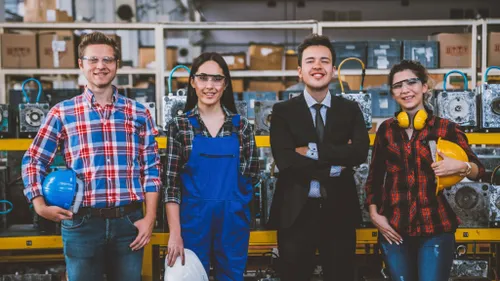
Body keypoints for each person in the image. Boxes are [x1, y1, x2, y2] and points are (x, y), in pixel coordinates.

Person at [21, 32, 161, 281]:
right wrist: (39, 205)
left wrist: (149, 218)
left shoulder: (138, 113)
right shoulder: (62, 112)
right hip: (81, 223)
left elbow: (151, 169)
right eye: (93, 59)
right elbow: (33, 159)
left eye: (108, 59)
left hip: (128, 223)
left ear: (117, 64)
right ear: (81, 64)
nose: (101, 66)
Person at [365, 60, 485, 281]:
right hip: (394, 229)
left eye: (412, 82)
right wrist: (374, 214)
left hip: (436, 229)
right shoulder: (386, 130)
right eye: (398, 85)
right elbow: (374, 178)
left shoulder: (446, 128)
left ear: (424, 87)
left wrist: (462, 166)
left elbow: (480, 171)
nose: (405, 90)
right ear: (393, 93)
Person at [268, 34, 370, 281]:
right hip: (295, 214)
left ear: (333, 71)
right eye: (310, 61)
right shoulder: (282, 112)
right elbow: (286, 161)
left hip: (340, 211)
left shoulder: (350, 109)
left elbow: (358, 152)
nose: (317, 66)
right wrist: (336, 166)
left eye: (324, 61)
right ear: (299, 71)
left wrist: (311, 151)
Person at [164, 52, 260, 281]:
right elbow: (171, 185)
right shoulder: (180, 126)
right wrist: (175, 233)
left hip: (232, 225)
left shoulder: (242, 127)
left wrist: (235, 207)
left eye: (217, 79)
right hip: (192, 225)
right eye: (203, 78)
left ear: (225, 84)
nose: (210, 85)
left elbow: (253, 176)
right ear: (192, 82)